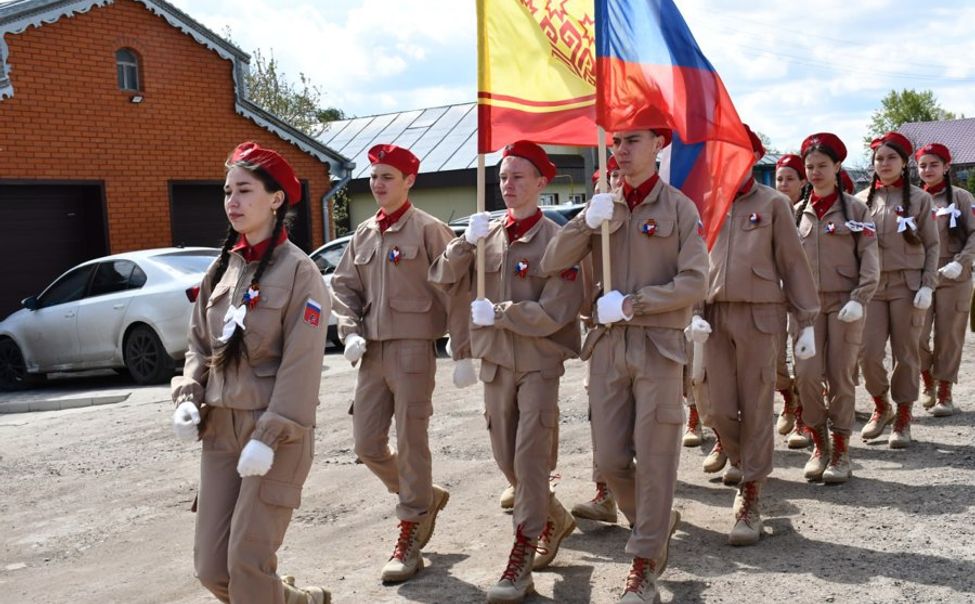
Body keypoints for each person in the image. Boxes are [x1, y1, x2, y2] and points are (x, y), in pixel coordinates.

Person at [542, 128, 707, 603]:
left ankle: (644, 563)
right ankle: (653, 524)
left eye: (632, 141)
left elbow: (696, 279)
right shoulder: (602, 206)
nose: (621, 150)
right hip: (608, 348)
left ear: (659, 146)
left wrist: (636, 304)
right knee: (611, 459)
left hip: (657, 345)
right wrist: (584, 225)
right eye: (616, 141)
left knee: (655, 459)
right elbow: (553, 261)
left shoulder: (678, 208)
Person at [170, 141, 330, 604]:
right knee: (211, 570)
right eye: (226, 192)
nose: (232, 202)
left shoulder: (300, 273)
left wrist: (270, 434)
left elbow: (303, 366)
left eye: (243, 191)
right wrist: (188, 397)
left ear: (276, 198)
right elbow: (200, 343)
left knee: (246, 563)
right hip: (220, 431)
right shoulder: (221, 267)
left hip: (273, 433)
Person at [430, 140, 583, 603]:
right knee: (506, 458)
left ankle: (521, 552)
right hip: (496, 363)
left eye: (519, 176)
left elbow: (557, 310)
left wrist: (500, 313)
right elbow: (441, 277)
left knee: (531, 457)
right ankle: (552, 516)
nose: (509, 185)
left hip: (538, 362)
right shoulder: (486, 235)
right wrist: (464, 242)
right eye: (503, 177)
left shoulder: (557, 241)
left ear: (541, 182)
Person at [329, 144, 472, 583]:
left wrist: (463, 348)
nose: (378, 184)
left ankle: (410, 530)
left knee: (412, 440)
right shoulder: (365, 233)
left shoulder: (429, 230)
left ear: (409, 180)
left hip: (413, 349)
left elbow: (457, 288)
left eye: (387, 176)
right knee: (367, 444)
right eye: (374, 177)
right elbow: (343, 287)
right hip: (371, 352)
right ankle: (423, 496)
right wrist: (349, 330)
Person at [690, 125, 819, 545]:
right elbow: (692, 262)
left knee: (757, 404)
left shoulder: (773, 203)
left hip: (761, 317)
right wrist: (693, 310)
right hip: (713, 317)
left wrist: (805, 321)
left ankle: (751, 495)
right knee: (717, 407)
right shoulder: (706, 203)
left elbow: (793, 264)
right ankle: (739, 458)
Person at [792, 133, 879, 484]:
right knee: (807, 375)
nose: (814, 173)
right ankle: (819, 442)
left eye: (822, 166)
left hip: (845, 305)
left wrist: (860, 298)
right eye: (809, 167)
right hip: (807, 309)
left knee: (840, 375)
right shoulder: (797, 211)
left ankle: (841, 449)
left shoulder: (856, 209)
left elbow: (870, 258)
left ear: (837, 166)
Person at [856, 132, 939, 448]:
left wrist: (928, 284)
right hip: (873, 287)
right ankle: (882, 406)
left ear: (904, 163)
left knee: (906, 353)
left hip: (908, 286)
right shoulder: (861, 200)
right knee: (867, 353)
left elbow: (932, 245)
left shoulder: (920, 199)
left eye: (891, 158)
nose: (884, 163)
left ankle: (904, 415)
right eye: (879, 158)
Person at [571, 154, 624, 525]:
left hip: (646, 332)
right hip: (600, 337)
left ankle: (646, 501)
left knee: (646, 422)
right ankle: (604, 494)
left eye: (618, 177)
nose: (612, 185)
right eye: (604, 181)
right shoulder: (589, 225)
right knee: (601, 417)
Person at [916, 143, 975, 417]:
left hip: (954, 274)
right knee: (914, 333)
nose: (928, 170)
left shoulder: (961, 197)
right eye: (923, 165)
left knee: (948, 335)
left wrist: (961, 262)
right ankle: (926, 378)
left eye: (934, 164)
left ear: (946, 167)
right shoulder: (913, 198)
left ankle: (944, 392)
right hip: (919, 276)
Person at [772, 154, 811, 448]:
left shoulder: (810, 210)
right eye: (779, 179)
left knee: (805, 359)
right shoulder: (769, 208)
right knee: (772, 358)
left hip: (803, 294)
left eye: (790, 179)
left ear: (802, 182)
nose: (784, 184)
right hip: (771, 294)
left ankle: (804, 417)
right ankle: (788, 394)